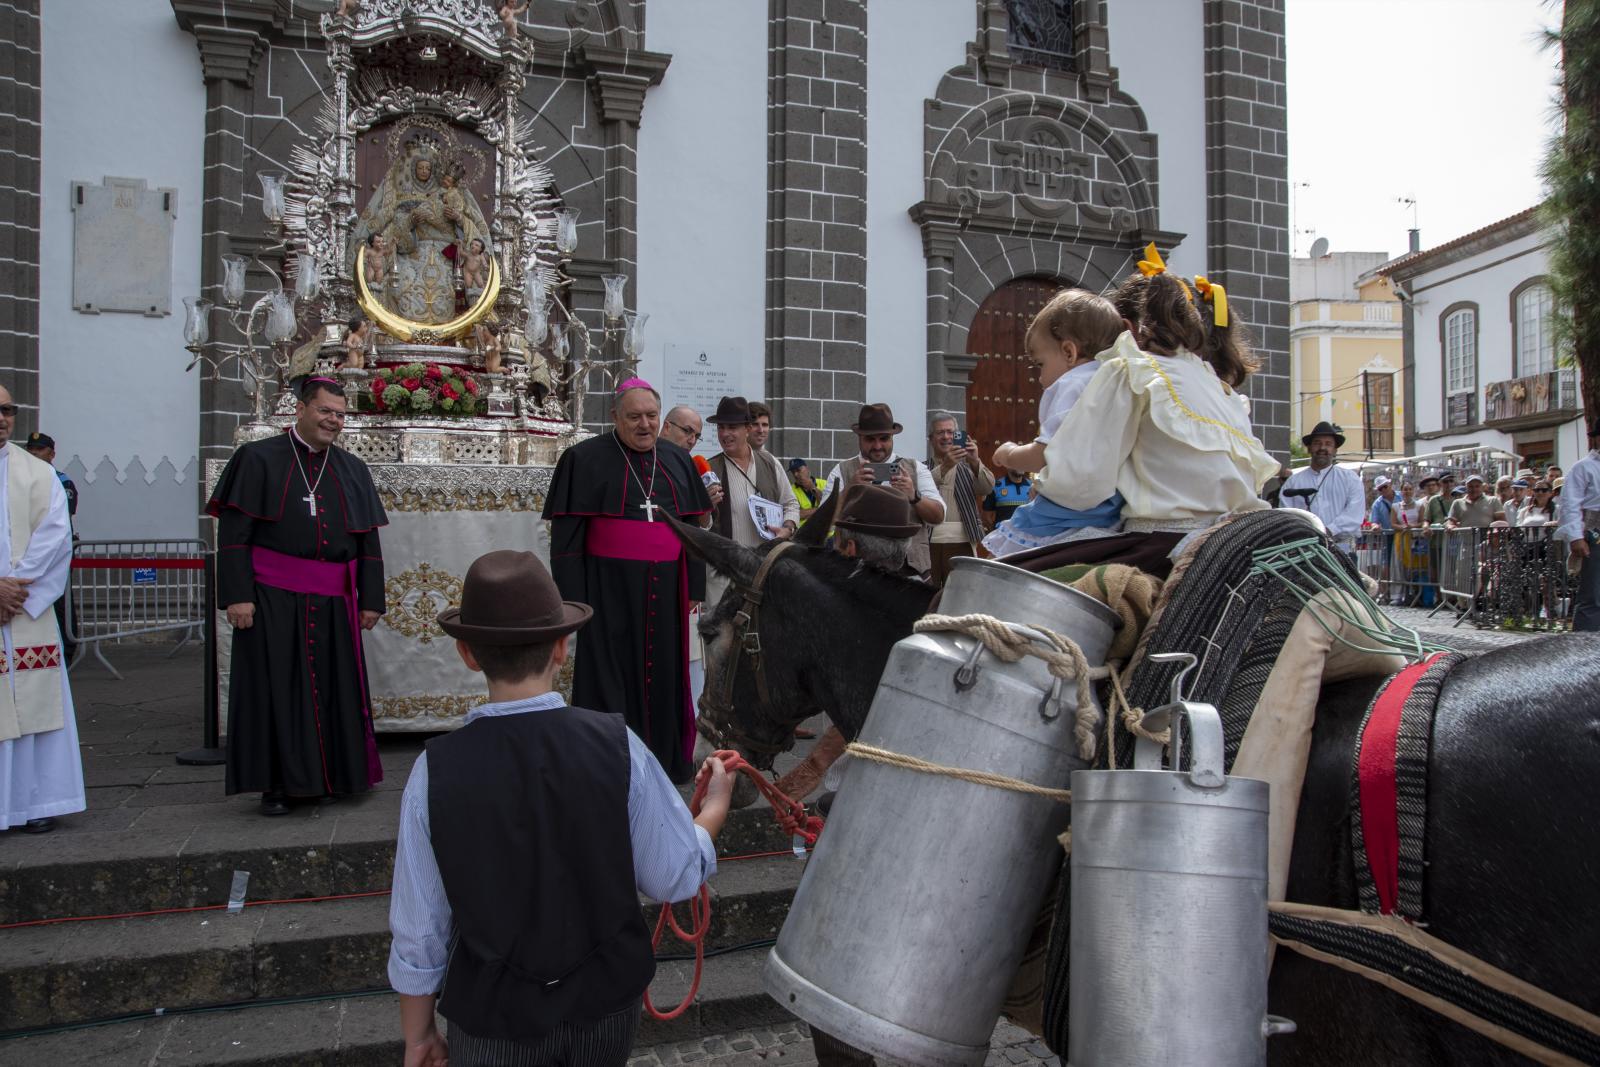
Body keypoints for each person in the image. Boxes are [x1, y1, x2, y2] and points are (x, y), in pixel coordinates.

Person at [388, 549, 732, 1067]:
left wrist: (418, 1035)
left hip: (493, 1017)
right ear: (561, 647)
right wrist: (713, 812)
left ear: (467, 653)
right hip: (602, 1007)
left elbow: (421, 928)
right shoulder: (621, 746)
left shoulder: (434, 771)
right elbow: (673, 874)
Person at [1001, 267, 1278, 579]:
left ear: (1126, 329)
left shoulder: (1130, 370)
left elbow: (1082, 482)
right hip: (1236, 539)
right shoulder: (1223, 390)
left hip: (1162, 541)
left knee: (999, 577)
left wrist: (1043, 487)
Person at [207, 376, 388, 816]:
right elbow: (234, 535)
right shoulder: (256, 459)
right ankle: (279, 784)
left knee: (334, 691)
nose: (334, 421)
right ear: (301, 409)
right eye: (326, 411)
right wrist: (237, 596)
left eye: (341, 415)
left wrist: (370, 599)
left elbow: (367, 542)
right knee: (278, 692)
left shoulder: (352, 468)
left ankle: (335, 777)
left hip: (332, 600)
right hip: (272, 598)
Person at [543, 379, 711, 783]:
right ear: (614, 417)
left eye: (651, 416)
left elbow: (693, 530)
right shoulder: (583, 459)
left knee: (668, 675)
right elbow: (567, 540)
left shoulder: (678, 459)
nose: (644, 425)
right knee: (609, 675)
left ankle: (666, 761)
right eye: (634, 417)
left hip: (668, 589)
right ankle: (605, 765)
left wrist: (696, 588)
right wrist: (573, 599)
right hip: (607, 591)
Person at [982, 289, 1126, 558]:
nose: (1039, 378)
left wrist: (1010, 454)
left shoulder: (1073, 383)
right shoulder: (1117, 382)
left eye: (1039, 364)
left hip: (1064, 511)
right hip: (1110, 509)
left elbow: (1044, 455)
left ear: (1069, 352)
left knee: (996, 562)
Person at [0, 388, 82, 833]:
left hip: (24, 612)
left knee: (34, 707)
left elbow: (55, 540)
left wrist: (14, 594)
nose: (2, 418)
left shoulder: (38, 473)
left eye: (7, 410)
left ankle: (34, 803)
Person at [823, 403, 944, 576]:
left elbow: (938, 517)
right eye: (870, 439)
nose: (878, 446)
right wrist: (850, 489)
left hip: (910, 572)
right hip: (855, 570)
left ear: (892, 438)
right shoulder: (842, 471)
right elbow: (824, 524)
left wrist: (914, 496)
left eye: (884, 438)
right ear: (859, 437)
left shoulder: (915, 468)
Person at [25, 432, 78, 661]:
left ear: (52, 454)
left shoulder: (62, 481)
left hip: (55, 552)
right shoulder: (20, 479)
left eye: (40, 449)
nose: (35, 453)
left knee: (60, 602)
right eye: (32, 449)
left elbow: (60, 517)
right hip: (29, 553)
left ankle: (66, 651)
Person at [925, 412, 994, 585]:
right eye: (940, 433)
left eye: (951, 432)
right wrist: (945, 465)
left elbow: (987, 487)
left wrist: (976, 461)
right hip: (928, 542)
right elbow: (920, 490)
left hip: (963, 540)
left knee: (961, 590)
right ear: (931, 438)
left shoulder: (968, 468)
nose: (946, 437)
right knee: (927, 592)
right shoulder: (922, 468)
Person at [1277, 422, 1365, 557]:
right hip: (1305, 551)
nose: (1322, 447)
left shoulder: (1350, 479)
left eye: (1328, 444)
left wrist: (1327, 531)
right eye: (1317, 443)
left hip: (1341, 549)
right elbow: (1286, 515)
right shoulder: (1293, 482)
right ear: (1309, 448)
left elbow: (1354, 514)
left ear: (1335, 450)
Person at [832, 483, 923, 579]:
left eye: (836, 547)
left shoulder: (832, 591)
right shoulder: (922, 591)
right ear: (903, 552)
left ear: (850, 549)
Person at [1560, 424, 1600, 632]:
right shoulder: (1584, 467)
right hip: (1596, 533)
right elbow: (1570, 503)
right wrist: (1576, 536)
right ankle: (1584, 644)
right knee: (1593, 593)